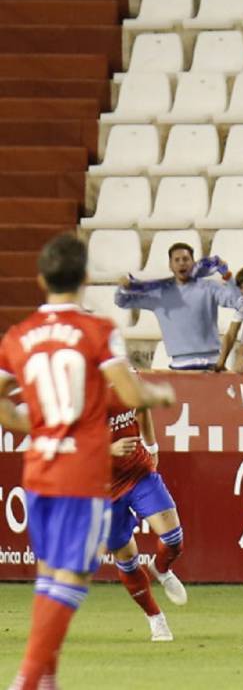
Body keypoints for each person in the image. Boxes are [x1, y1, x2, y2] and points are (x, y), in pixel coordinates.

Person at [0, 233, 174, 690]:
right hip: (82, 473)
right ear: (85, 279)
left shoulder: (18, 337)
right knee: (72, 579)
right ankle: (26, 680)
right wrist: (160, 394)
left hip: (38, 471)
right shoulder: (97, 332)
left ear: (41, 280)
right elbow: (131, 394)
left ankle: (46, 680)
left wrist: (31, 424)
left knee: (49, 577)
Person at [104, 379, 187, 643]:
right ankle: (155, 618)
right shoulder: (79, 391)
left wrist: (151, 447)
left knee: (173, 537)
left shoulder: (125, 376)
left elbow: (142, 406)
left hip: (138, 473)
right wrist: (109, 449)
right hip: (102, 488)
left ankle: (161, 568)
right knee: (127, 558)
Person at [114, 242, 242, 370]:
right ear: (170, 265)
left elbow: (238, 301)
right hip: (180, 365)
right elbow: (122, 301)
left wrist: (227, 275)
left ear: (193, 263)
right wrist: (122, 287)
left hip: (212, 363)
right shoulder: (159, 293)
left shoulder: (209, 287)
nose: (181, 263)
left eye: (186, 259)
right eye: (177, 260)